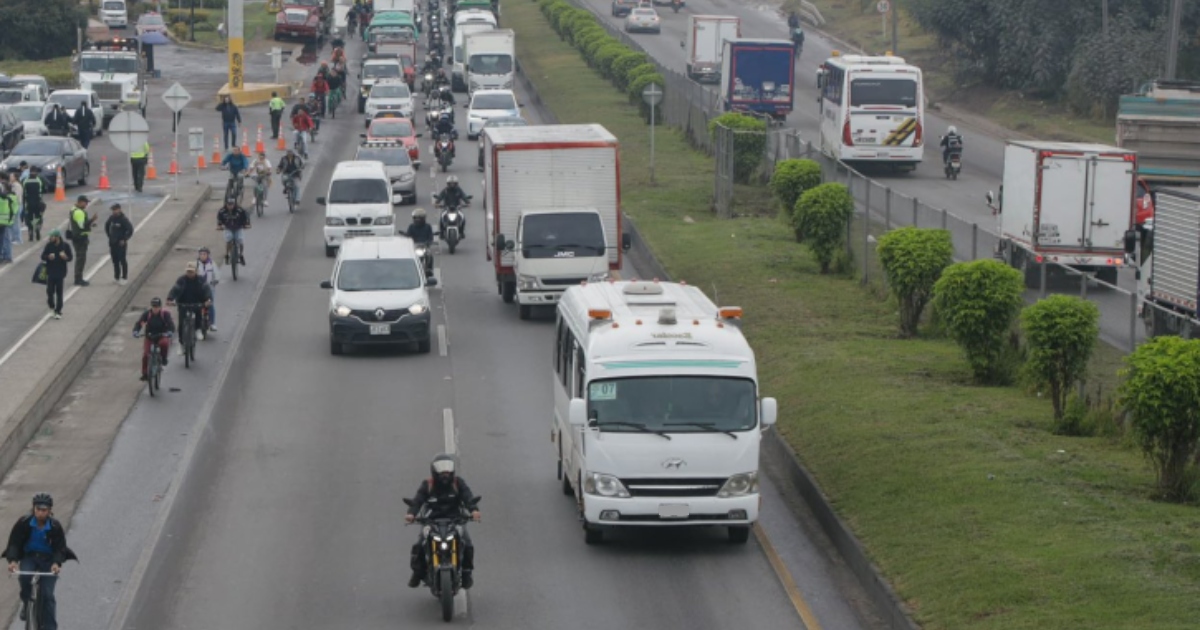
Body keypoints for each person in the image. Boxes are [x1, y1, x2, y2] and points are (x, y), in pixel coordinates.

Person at [405, 454, 481, 590]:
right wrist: (411, 514)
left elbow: (467, 496)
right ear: (434, 471)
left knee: (467, 543)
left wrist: (474, 510)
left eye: (447, 470)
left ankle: (466, 572)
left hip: (455, 520)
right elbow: (418, 500)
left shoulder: (458, 483)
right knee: (419, 544)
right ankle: (417, 573)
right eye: (442, 470)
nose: (445, 473)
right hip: (432, 521)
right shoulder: (427, 485)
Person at [4, 493, 78, 629]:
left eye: (44, 510)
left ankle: (50, 627)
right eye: (38, 509)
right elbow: (14, 543)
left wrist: (56, 563)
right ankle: (26, 604)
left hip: (48, 560)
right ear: (33, 509)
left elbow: (59, 548)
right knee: (25, 578)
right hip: (30, 557)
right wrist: (13, 561)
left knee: (47, 594)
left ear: (49, 511)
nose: (40, 513)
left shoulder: (55, 527)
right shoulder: (23, 523)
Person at [167, 261, 214, 348]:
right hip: (183, 303)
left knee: (198, 313)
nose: (190, 273)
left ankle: (198, 329)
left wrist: (208, 300)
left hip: (197, 302)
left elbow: (207, 290)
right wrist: (170, 299)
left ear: (196, 271)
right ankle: (181, 345)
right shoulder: (181, 280)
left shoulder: (201, 280)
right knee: (181, 324)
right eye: (188, 271)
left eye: (191, 271)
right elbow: (175, 289)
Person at [132, 297, 174, 378]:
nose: (155, 309)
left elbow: (170, 324)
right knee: (145, 355)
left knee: (164, 344)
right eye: (153, 306)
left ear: (160, 307)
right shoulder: (147, 314)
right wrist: (136, 331)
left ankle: (164, 358)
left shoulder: (165, 314)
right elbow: (140, 323)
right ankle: (145, 373)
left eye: (157, 307)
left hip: (162, 335)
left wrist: (170, 332)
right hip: (150, 336)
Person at [39, 230, 72, 319]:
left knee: (59, 292)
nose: (50, 238)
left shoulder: (65, 246)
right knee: (50, 291)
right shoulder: (49, 246)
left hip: (61, 272)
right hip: (50, 272)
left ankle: (58, 311)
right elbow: (42, 256)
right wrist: (48, 257)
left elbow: (70, 258)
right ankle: (51, 306)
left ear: (57, 237)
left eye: (52, 237)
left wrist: (65, 257)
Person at [67, 195, 96, 287]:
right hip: (80, 238)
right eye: (85, 202)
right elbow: (82, 226)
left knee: (80, 258)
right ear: (80, 202)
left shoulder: (74, 209)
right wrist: (92, 220)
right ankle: (78, 279)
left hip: (77, 237)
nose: (86, 204)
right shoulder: (79, 212)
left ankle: (78, 277)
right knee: (81, 259)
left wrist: (90, 224)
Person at [104, 202, 134, 284]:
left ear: (119, 209)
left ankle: (124, 277)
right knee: (115, 261)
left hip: (121, 244)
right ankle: (116, 277)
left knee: (122, 260)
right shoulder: (112, 218)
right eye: (113, 210)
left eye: (115, 210)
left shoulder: (123, 219)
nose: (114, 212)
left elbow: (130, 230)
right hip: (113, 243)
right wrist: (109, 236)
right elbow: (106, 226)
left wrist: (124, 239)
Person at [217, 198, 251, 266]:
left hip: (238, 228)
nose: (230, 206)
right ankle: (227, 254)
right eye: (229, 205)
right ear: (226, 204)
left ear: (234, 204)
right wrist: (220, 226)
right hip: (228, 228)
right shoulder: (222, 211)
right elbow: (219, 219)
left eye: (232, 205)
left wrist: (246, 224)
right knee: (228, 239)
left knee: (241, 240)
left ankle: (241, 255)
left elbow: (246, 217)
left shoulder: (240, 210)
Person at [195, 247, 220, 332]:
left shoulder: (212, 264)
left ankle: (212, 323)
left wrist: (216, 280)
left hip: (209, 288)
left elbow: (217, 274)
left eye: (204, 254)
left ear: (208, 255)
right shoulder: (196, 264)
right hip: (198, 288)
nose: (202, 256)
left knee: (211, 305)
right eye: (201, 254)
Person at [22, 166, 47, 242]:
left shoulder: (25, 180)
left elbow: (23, 193)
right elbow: (44, 190)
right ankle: (37, 229)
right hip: (38, 202)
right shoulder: (40, 180)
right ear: (36, 172)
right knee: (38, 217)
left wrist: (23, 203)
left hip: (28, 202)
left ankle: (30, 232)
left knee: (29, 218)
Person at [0, 183, 15, 263]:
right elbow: (12, 210)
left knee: (2, 240)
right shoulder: (7, 198)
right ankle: (6, 256)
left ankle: (2, 256)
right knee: (5, 240)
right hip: (5, 222)